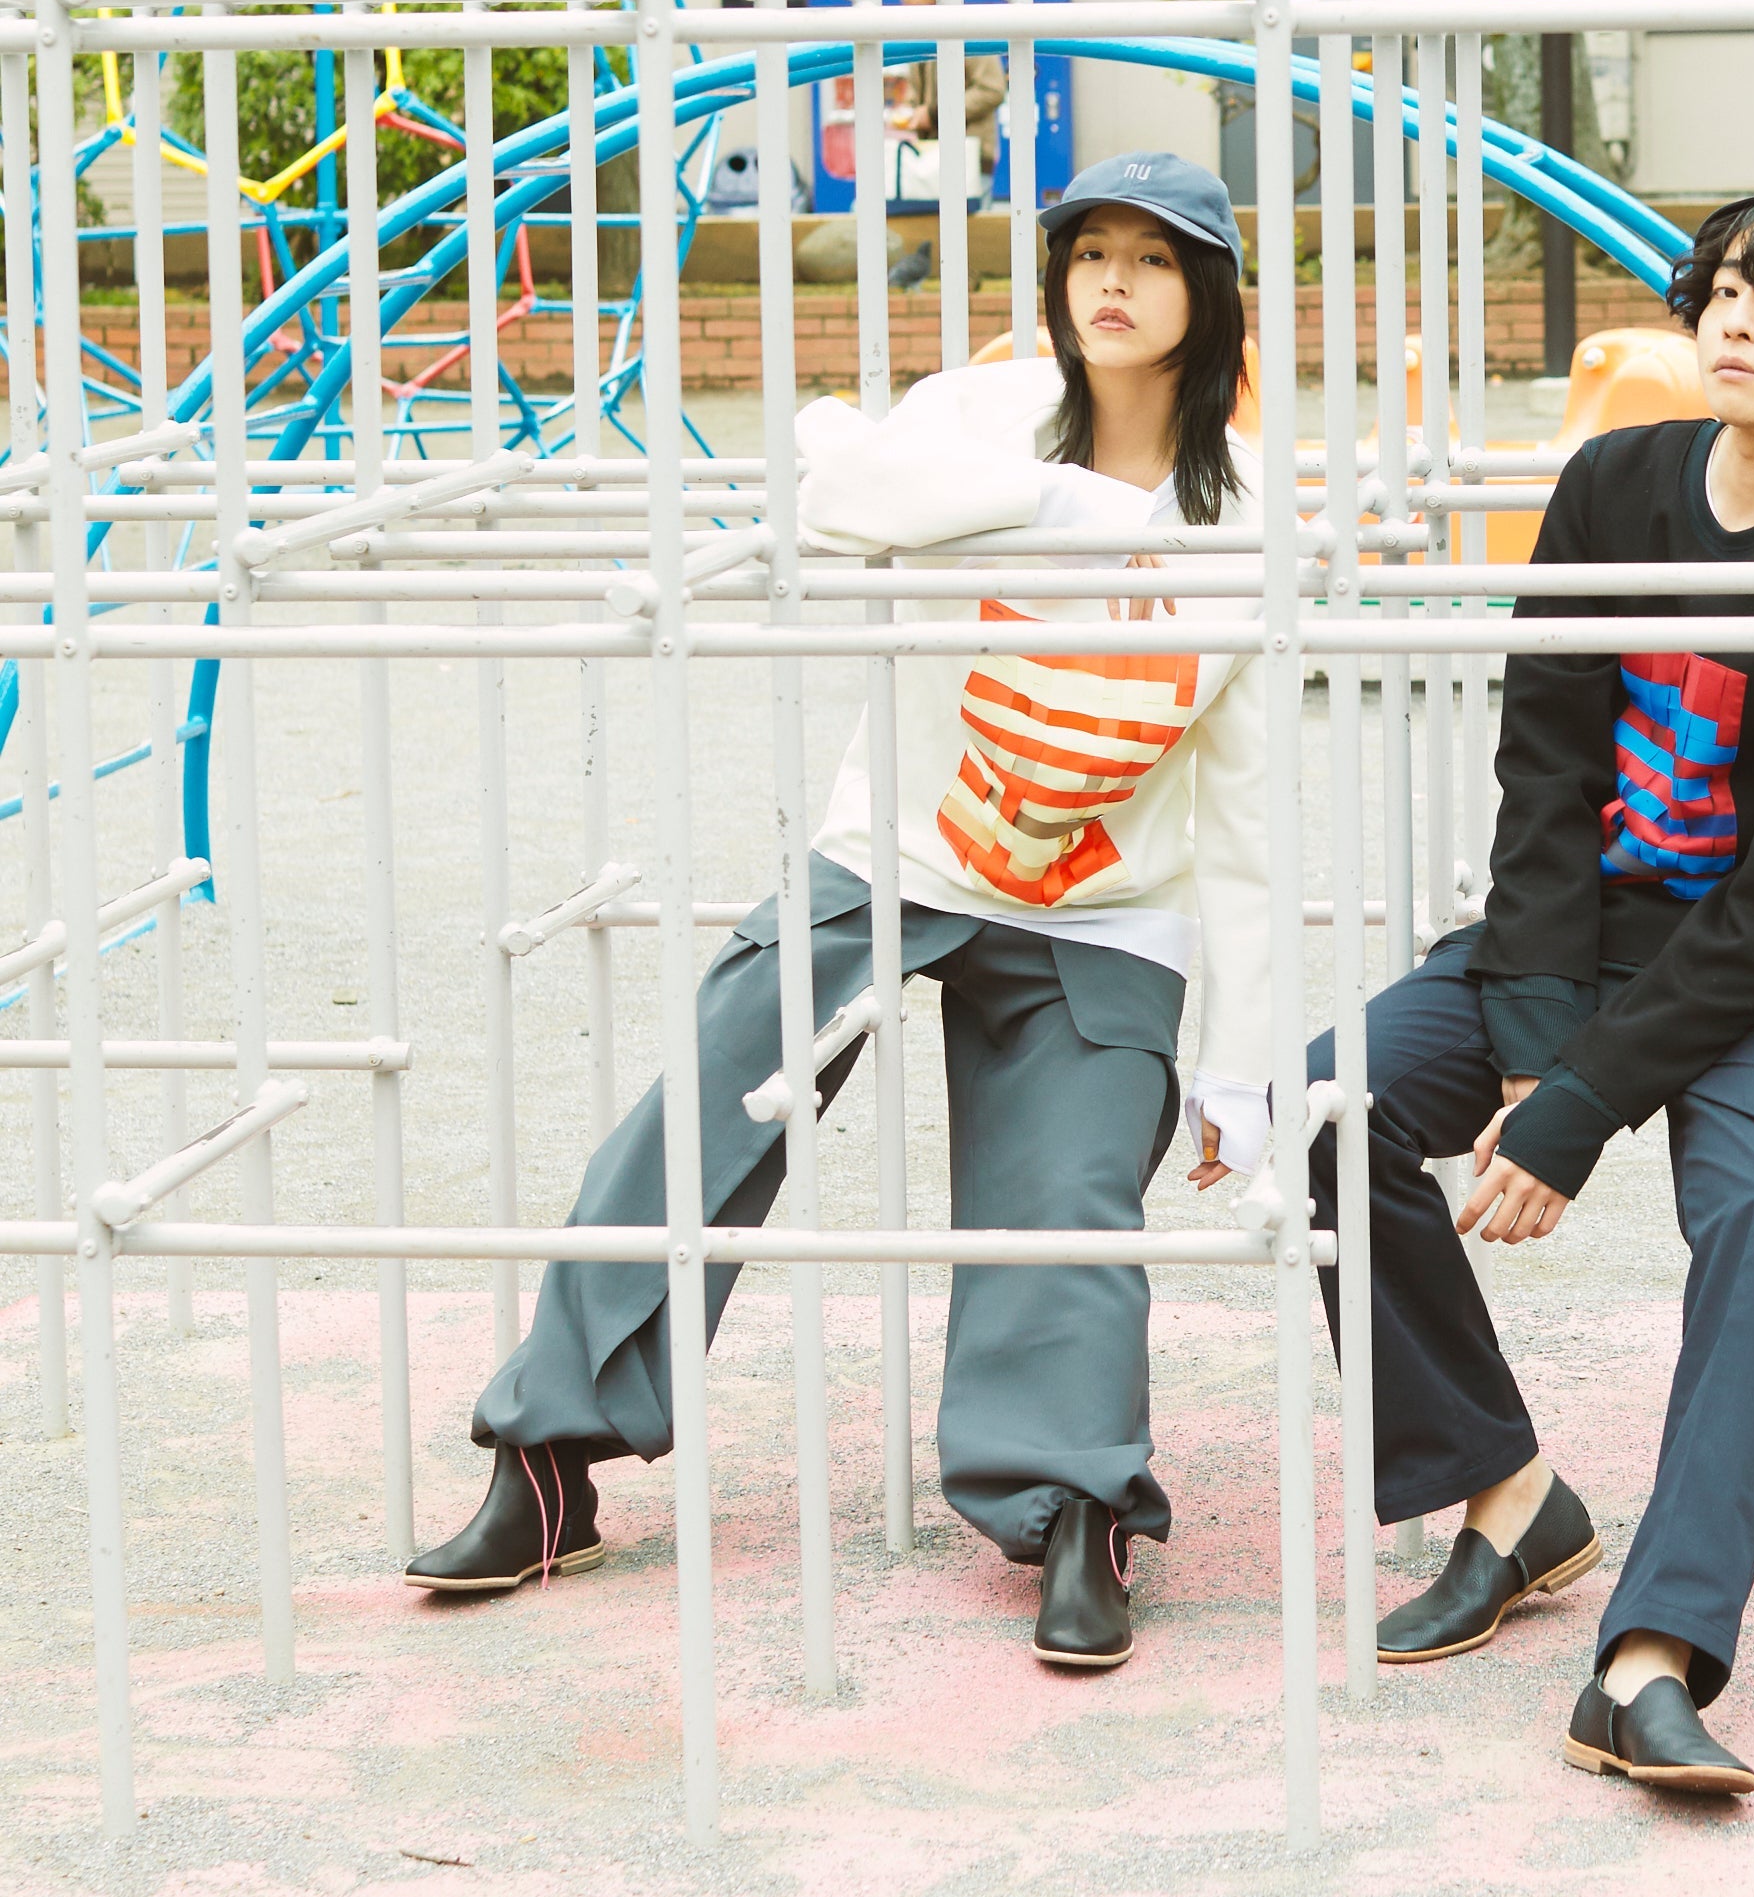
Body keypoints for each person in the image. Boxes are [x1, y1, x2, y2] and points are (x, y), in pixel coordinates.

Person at [406, 151, 1268, 1673]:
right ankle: (548, 1457)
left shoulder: (1248, 507)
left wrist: (1241, 1056)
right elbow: (836, 477)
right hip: (900, 857)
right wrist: (1062, 498)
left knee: (1064, 1204)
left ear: (1211, 291)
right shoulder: (984, 412)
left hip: (1103, 903)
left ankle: (1076, 1510)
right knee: (706, 1107)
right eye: (1089, 256)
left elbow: (1248, 813)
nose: (1115, 283)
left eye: (1155, 257)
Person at [1308, 157, 1754, 1795]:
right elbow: (1540, 771)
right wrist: (1530, 1036)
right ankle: (1509, 1500)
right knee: (1330, 1103)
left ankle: (1650, 1656)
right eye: (1721, 286)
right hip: (1570, 936)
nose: (1736, 315)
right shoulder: (1611, 484)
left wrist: (1580, 1101)